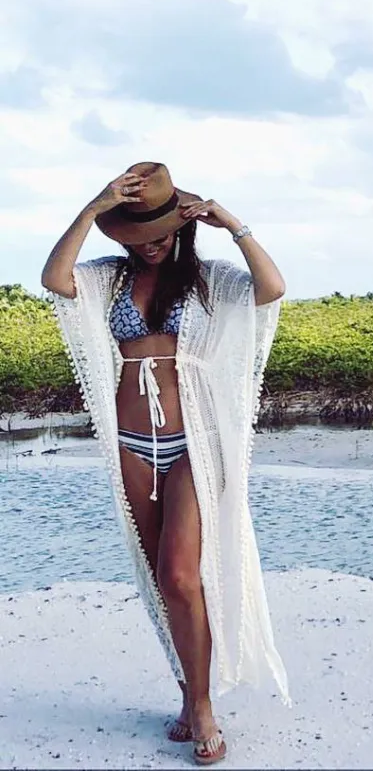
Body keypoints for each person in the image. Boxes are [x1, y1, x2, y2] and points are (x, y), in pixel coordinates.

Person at [41, 162, 292, 766]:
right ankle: (188, 694)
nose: (153, 243)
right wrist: (90, 209)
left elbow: (272, 288)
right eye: (139, 233)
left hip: (194, 443)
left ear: (184, 225)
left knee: (182, 574)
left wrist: (232, 222)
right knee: (160, 582)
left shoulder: (211, 280)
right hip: (131, 443)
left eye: (162, 230)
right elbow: (55, 278)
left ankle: (204, 709)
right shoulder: (107, 280)